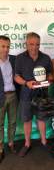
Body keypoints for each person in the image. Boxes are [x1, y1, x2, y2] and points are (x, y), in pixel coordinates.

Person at [14, 32, 53, 157]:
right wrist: (26, 83)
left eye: (37, 44)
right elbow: (16, 77)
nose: (34, 47)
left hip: (42, 95)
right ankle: (27, 144)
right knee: (27, 120)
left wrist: (49, 81)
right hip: (26, 94)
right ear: (26, 43)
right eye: (31, 44)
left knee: (41, 119)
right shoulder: (19, 58)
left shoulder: (46, 58)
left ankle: (43, 141)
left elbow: (50, 74)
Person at [0, 35, 19, 163]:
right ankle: (0, 147)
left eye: (7, 46)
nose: (6, 49)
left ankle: (11, 143)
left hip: (13, 95)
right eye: (3, 46)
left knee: (12, 121)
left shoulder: (14, 59)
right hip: (0, 96)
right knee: (0, 124)